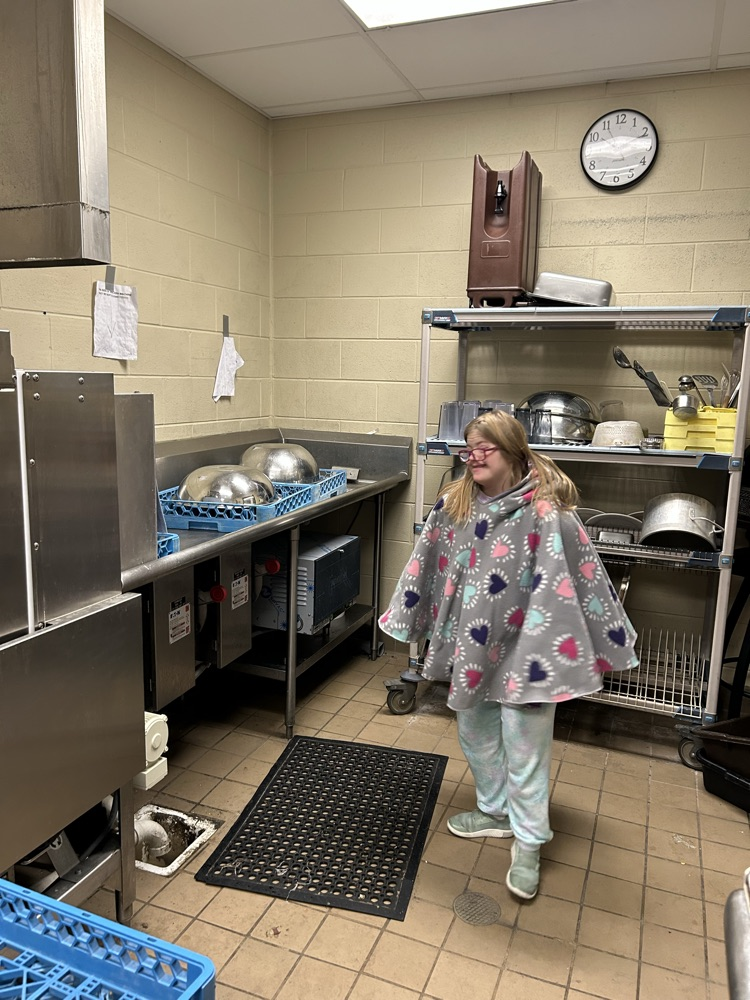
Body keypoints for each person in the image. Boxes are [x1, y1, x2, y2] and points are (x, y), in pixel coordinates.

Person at [379, 409, 638, 900]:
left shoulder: (548, 513)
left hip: (530, 653)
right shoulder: (456, 505)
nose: (473, 457)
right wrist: (417, 618)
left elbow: (583, 580)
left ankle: (529, 840)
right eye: (468, 449)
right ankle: (496, 810)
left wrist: (595, 640)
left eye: (485, 448)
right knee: (474, 731)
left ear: (514, 451)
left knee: (524, 745)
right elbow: (427, 565)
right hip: (476, 647)